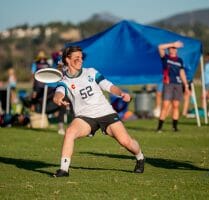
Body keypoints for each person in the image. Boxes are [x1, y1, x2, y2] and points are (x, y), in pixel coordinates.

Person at [52, 46, 144, 177]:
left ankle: (140, 157)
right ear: (67, 59)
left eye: (81, 57)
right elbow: (58, 93)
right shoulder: (64, 81)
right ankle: (64, 169)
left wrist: (121, 93)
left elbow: (108, 85)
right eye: (76, 57)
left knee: (126, 142)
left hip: (105, 113)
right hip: (85, 117)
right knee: (70, 132)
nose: (80, 60)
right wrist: (58, 99)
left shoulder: (91, 72)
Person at [156, 41, 189, 132]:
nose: (173, 50)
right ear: (169, 49)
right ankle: (159, 128)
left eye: (175, 48)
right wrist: (173, 44)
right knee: (165, 105)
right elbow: (160, 46)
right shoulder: (165, 58)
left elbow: (182, 73)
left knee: (176, 105)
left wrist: (186, 85)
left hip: (178, 84)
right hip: (168, 84)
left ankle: (175, 127)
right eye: (172, 48)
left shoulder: (179, 60)